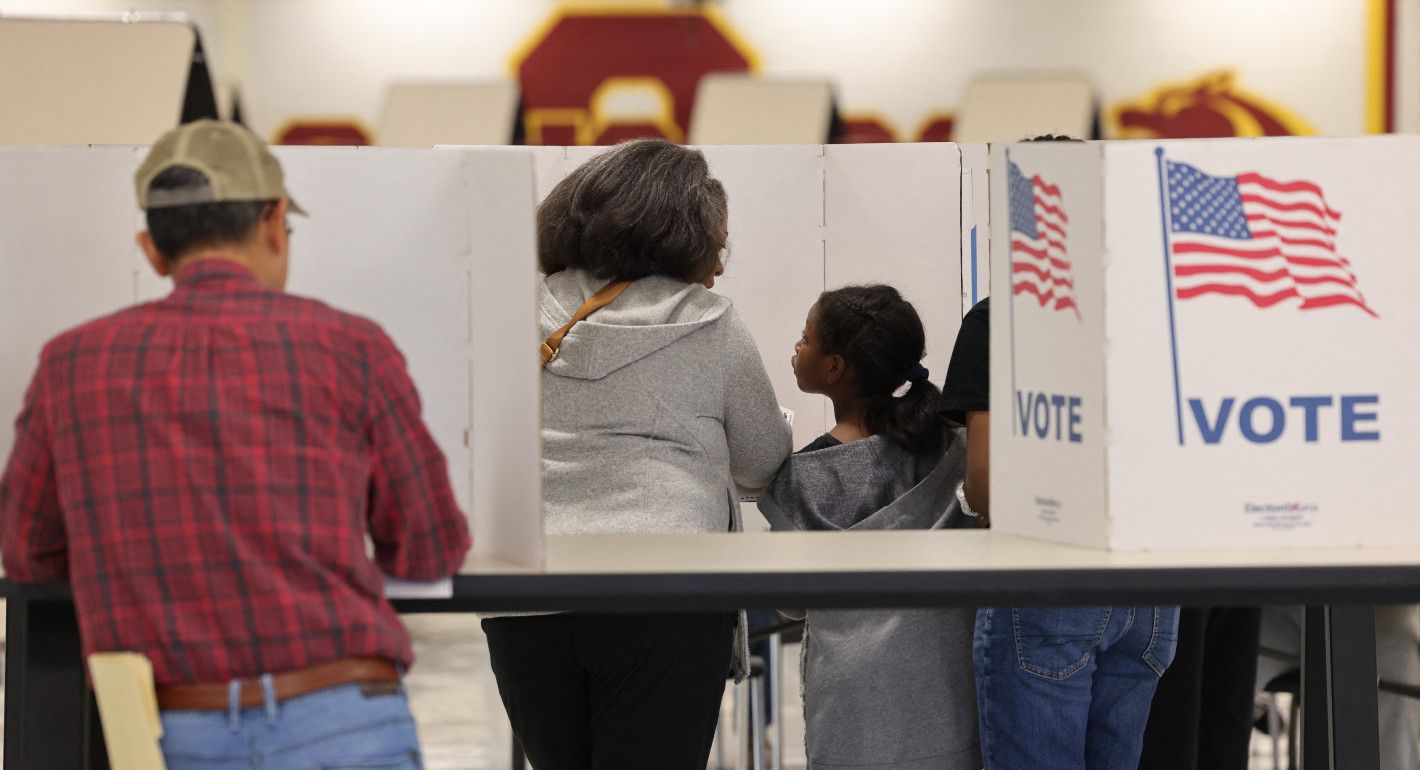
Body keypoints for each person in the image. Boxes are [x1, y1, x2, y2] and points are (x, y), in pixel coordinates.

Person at [0, 119, 471, 768]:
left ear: (152, 250)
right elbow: (429, 545)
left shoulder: (70, 364)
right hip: (345, 721)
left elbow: (27, 554)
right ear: (275, 221)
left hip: (169, 733)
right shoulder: (351, 347)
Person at [480, 138, 792, 770]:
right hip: (664, 594)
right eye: (718, 241)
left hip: (527, 592)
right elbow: (761, 462)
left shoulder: (511, 312)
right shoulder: (712, 322)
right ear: (679, 234)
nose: (721, 265)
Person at [944, 294, 1178, 769]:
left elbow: (989, 485)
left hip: (1046, 581)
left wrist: (968, 500)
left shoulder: (1004, 317)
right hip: (1152, 585)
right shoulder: (1159, 308)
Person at [759, 285, 980, 770]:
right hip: (949, 698)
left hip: (852, 712)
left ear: (834, 367)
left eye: (805, 338)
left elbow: (791, 602)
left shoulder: (804, 476)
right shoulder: (955, 449)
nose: (797, 347)